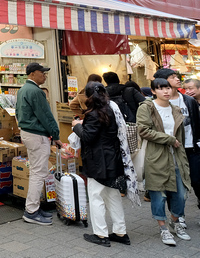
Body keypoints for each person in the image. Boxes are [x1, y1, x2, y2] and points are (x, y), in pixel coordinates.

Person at [72, 82, 133, 247]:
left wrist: (77, 126)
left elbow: (88, 137)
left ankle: (100, 234)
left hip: (98, 162)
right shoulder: (112, 109)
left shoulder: (94, 114)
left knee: (96, 197)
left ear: (89, 97)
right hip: (113, 159)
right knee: (113, 197)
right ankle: (121, 232)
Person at [137, 75, 192, 246]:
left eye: (167, 87)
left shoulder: (175, 109)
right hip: (156, 156)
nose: (165, 91)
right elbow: (143, 130)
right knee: (158, 194)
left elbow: (180, 136)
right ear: (153, 91)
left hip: (176, 156)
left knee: (181, 193)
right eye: (160, 88)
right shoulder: (147, 108)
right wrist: (168, 139)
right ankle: (163, 229)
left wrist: (180, 150)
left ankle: (175, 222)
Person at [15, 62, 61, 226]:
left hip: (28, 133)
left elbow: (17, 112)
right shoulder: (36, 91)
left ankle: (33, 207)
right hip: (37, 134)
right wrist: (56, 135)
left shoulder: (22, 90)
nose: (45, 75)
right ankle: (32, 211)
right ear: (33, 73)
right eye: (42, 72)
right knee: (38, 173)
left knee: (36, 171)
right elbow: (46, 116)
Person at [160, 68, 200, 211]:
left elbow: (196, 122)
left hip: (192, 147)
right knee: (175, 185)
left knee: (197, 181)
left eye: (177, 77)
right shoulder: (158, 103)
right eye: (173, 77)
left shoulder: (189, 101)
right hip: (172, 150)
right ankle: (177, 217)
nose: (178, 79)